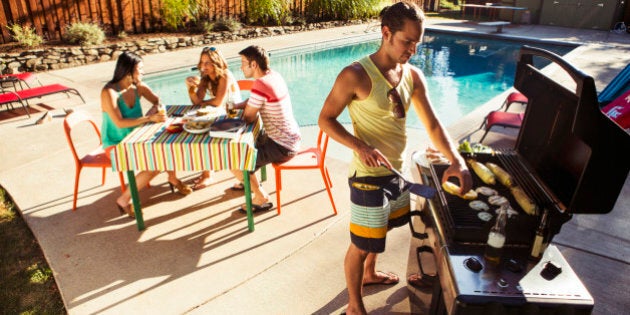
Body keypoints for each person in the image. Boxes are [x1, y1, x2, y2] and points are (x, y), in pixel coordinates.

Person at [317, 2, 472, 314]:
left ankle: (371, 274)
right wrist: (359, 145)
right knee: (361, 244)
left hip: (397, 173)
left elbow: (433, 124)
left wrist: (456, 159)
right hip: (368, 179)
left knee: (383, 228)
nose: (413, 49)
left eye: (417, 42)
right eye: (407, 41)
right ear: (386, 33)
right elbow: (326, 119)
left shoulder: (412, 76)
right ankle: (354, 305)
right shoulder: (355, 75)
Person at [101, 52, 192, 218]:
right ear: (128, 71)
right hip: (117, 142)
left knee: (167, 145)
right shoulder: (109, 93)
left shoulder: (138, 86)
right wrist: (149, 118)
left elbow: (158, 101)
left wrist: (155, 109)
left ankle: (172, 178)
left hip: (138, 135)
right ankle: (123, 200)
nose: (143, 72)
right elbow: (119, 123)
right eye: (140, 69)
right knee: (156, 163)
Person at [230, 45, 301, 212]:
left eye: (243, 62)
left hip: (282, 146)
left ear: (253, 64)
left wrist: (239, 111)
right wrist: (238, 105)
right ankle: (245, 181)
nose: (241, 67)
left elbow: (248, 117)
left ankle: (261, 197)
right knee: (249, 144)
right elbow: (254, 101)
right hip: (291, 138)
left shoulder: (260, 84)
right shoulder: (273, 76)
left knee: (236, 161)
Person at [185, 46, 243, 190]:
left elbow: (218, 102)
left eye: (207, 63)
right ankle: (208, 171)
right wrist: (190, 88)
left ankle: (208, 174)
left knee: (205, 133)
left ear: (216, 63)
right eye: (202, 62)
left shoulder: (225, 75)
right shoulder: (205, 78)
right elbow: (196, 102)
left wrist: (203, 104)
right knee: (196, 129)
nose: (203, 66)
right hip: (218, 113)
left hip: (233, 114)